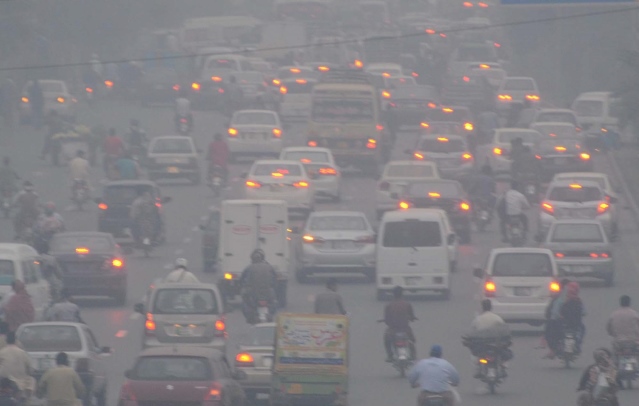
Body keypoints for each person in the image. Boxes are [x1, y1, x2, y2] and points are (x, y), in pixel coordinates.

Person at [240, 249, 278, 321]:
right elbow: (275, 280)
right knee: (274, 301)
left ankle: (250, 317)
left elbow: (242, 279)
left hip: (253, 294)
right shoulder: (269, 267)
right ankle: (269, 314)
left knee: (244, 301)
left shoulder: (249, 267)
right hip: (268, 294)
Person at [383, 286, 417, 361]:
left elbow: (386, 320)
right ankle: (413, 355)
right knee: (412, 340)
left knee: (386, 340)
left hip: (393, 330)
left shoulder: (389, 305)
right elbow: (412, 317)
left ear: (393, 294)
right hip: (405, 329)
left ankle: (390, 356)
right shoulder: (407, 304)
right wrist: (412, 318)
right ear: (402, 294)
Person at [0, 331, 34, 401]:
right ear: (15, 340)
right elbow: (30, 369)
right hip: (20, 384)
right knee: (31, 380)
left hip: (4, 383)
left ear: (6, 341)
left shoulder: (2, 352)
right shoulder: (22, 353)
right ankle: (27, 399)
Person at [544, 278, 571, 359]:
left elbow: (554, 312)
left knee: (549, 333)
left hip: (557, 321)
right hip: (561, 320)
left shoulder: (560, 300)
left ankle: (553, 350)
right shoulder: (559, 294)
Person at [561, 281, 586, 353]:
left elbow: (559, 311)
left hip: (564, 323)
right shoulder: (579, 301)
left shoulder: (563, 300)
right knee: (582, 330)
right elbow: (584, 312)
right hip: (576, 324)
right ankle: (578, 344)